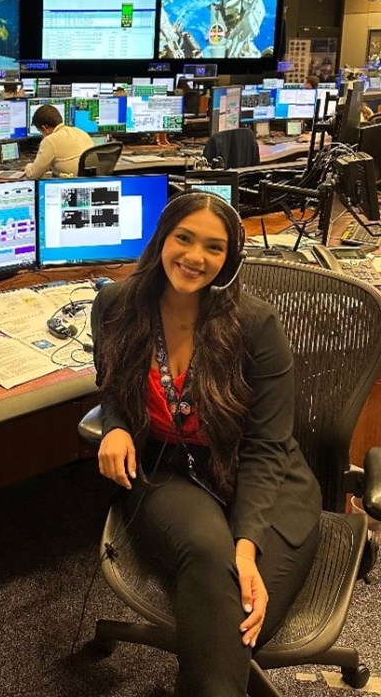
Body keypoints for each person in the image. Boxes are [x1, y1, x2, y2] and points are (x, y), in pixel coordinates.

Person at [93, 192, 321, 697]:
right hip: (173, 471)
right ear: (163, 239)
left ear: (229, 260)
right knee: (214, 583)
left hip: (263, 481)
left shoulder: (254, 324)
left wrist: (245, 549)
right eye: (184, 238)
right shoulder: (116, 304)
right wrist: (114, 426)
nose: (196, 257)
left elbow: (267, 445)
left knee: (231, 618)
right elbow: (110, 385)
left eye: (214, 248)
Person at [24, 104, 92, 179]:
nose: (42, 135)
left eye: (40, 131)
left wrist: (28, 166)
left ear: (45, 128)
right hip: (91, 181)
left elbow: (33, 175)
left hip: (70, 185)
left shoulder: (50, 140)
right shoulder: (80, 132)